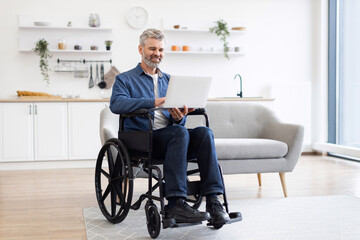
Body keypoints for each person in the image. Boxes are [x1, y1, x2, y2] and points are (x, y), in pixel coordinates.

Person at [110, 28, 230, 225]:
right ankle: (175, 203)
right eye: (152, 49)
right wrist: (155, 102)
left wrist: (179, 117)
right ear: (140, 49)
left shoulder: (170, 80)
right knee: (179, 133)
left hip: (173, 138)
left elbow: (178, 124)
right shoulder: (125, 79)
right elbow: (117, 104)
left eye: (161, 50)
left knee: (204, 132)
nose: (157, 54)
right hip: (144, 140)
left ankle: (214, 201)